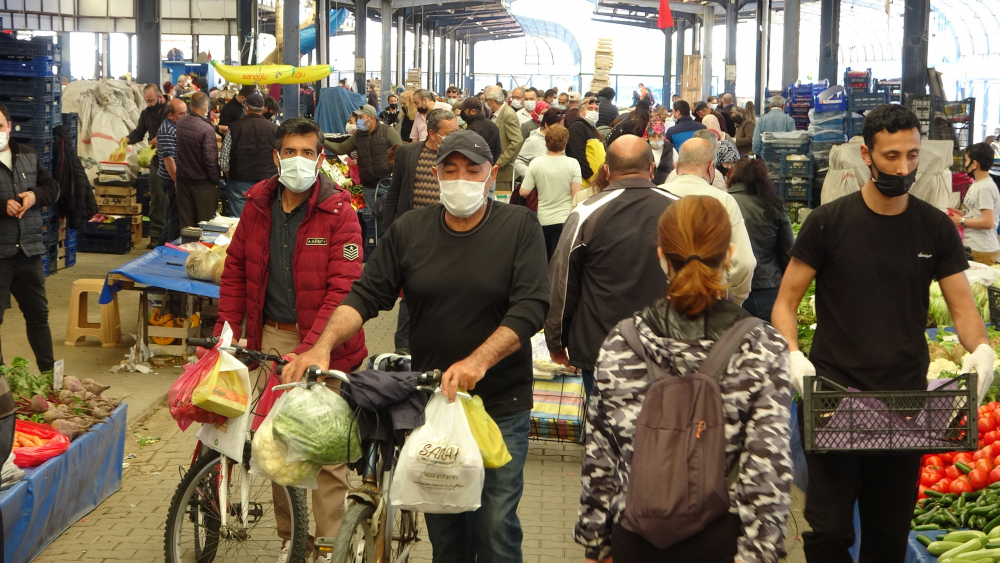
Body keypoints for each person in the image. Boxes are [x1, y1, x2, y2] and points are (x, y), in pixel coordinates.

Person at [282, 129, 549, 563]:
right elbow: (366, 294)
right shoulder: (411, 230)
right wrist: (322, 345)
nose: (460, 178)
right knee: (445, 531)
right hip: (434, 403)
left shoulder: (519, 226)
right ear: (436, 173)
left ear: (491, 174)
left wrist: (478, 362)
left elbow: (531, 306)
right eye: (450, 169)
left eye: (472, 169)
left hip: (500, 403)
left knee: (496, 525)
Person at [772, 104, 996, 563]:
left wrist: (982, 350)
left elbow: (962, 307)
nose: (903, 167)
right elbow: (785, 303)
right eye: (891, 156)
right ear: (866, 154)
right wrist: (792, 353)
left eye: (912, 156)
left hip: (907, 404)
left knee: (887, 536)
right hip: (834, 399)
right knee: (829, 531)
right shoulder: (828, 223)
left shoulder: (934, 227)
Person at [576, 194, 792, 563]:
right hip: (722, 542)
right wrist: (759, 552)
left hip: (634, 539)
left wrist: (597, 542)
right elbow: (767, 466)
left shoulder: (623, 340)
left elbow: (601, 456)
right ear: (729, 255)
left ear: (661, 256)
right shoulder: (760, 346)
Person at [215, 117, 365, 562]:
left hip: (329, 345)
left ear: (320, 159)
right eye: (291, 152)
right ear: (277, 157)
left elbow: (344, 290)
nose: (298, 160)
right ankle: (291, 540)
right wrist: (227, 331)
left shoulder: (341, 213)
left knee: (326, 450)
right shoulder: (257, 206)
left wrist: (312, 346)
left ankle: (329, 545)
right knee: (277, 447)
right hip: (275, 338)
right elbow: (236, 271)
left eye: (307, 152)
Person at [546, 136, 680, 396]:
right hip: (669, 348)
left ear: (606, 171)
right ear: (651, 169)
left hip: (602, 349)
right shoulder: (680, 209)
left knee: (607, 432)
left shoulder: (585, 214)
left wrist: (556, 339)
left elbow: (562, 285)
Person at [0, 101, 59, 377]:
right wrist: (2, 205)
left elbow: (52, 188)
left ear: (9, 127)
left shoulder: (28, 155)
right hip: (1, 255)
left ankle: (49, 376)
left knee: (38, 316)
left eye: (0, 126)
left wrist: (34, 195)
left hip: (29, 252)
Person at [661, 137, 756, 305]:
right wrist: (735, 300)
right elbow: (744, 263)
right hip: (714, 303)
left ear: (676, 167)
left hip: (665, 302)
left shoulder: (655, 196)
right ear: (711, 166)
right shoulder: (724, 201)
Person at [728, 157, 793, 323]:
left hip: (731, 289)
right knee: (770, 346)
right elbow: (788, 252)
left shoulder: (723, 202)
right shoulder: (773, 205)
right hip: (769, 288)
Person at [325, 104, 403, 214]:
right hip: (368, 186)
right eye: (357, 118)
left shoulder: (387, 131)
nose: (358, 121)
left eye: (361, 118)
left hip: (387, 183)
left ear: (370, 118)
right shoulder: (358, 136)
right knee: (372, 217)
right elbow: (340, 148)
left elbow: (400, 152)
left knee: (388, 216)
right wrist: (322, 141)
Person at [518, 125, 582, 259]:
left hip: (542, 220)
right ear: (565, 143)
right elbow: (577, 195)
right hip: (565, 219)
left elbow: (523, 192)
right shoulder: (573, 163)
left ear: (546, 142)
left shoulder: (536, 163)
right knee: (560, 261)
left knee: (544, 259)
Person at [123, 84, 168, 247]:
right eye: (146, 101)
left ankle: (174, 234)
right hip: (157, 161)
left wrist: (161, 138)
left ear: (160, 96)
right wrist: (127, 139)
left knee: (176, 199)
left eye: (151, 101)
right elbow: (139, 132)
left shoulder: (172, 110)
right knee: (157, 197)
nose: (148, 104)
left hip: (176, 160)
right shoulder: (146, 113)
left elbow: (180, 130)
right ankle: (156, 234)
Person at [219, 92, 278, 217]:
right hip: (267, 179)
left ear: (246, 108)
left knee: (239, 219)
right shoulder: (275, 129)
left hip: (239, 179)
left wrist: (228, 176)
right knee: (264, 217)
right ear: (263, 109)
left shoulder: (234, 127)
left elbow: (224, 157)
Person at [174, 92, 220, 230]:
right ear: (206, 107)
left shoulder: (181, 123)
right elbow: (209, 160)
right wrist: (215, 180)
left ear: (190, 106)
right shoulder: (206, 129)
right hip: (202, 184)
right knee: (205, 226)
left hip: (183, 180)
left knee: (187, 226)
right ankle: (202, 252)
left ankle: (187, 250)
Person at [950, 143, 1000, 264]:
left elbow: (988, 222)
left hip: (982, 249)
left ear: (974, 164)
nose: (965, 164)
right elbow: (976, 213)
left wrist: (961, 220)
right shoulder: (978, 184)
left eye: (966, 160)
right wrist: (958, 212)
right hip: (975, 247)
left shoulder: (985, 188)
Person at [155, 98, 187, 245]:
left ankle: (162, 246)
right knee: (175, 217)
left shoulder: (176, 126)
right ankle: (167, 248)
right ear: (171, 115)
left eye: (186, 112)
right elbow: (168, 159)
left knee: (176, 215)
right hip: (170, 177)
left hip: (175, 176)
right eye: (182, 114)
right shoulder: (167, 130)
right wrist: (176, 181)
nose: (185, 116)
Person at [483, 85, 523, 194]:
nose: (484, 103)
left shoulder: (508, 114)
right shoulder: (495, 114)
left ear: (492, 100)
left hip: (502, 172)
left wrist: (501, 161)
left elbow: (517, 140)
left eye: (485, 100)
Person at [516, 108, 564, 179]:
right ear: (546, 124)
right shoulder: (533, 141)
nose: (560, 129)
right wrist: (532, 175)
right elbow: (518, 162)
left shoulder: (561, 139)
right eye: (556, 127)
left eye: (562, 126)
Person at [565, 96, 601, 186]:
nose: (594, 112)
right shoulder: (577, 127)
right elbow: (578, 156)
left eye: (596, 110)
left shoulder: (592, 129)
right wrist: (592, 178)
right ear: (581, 112)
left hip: (594, 182)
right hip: (584, 183)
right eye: (590, 108)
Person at [460, 97, 501, 165]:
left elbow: (467, 152)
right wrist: (490, 165)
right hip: (487, 166)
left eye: (465, 110)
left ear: (473, 111)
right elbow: (498, 149)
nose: (463, 112)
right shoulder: (492, 125)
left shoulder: (472, 130)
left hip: (474, 167)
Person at [645, 114, 674, 184]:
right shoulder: (643, 148)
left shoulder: (670, 149)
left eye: (660, 136)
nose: (657, 139)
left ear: (664, 136)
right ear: (648, 136)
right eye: (653, 136)